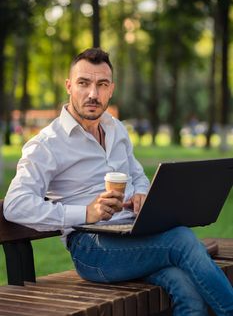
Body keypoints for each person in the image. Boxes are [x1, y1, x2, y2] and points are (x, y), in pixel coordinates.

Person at [4, 48, 233, 316]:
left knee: (186, 289)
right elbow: (15, 205)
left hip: (133, 235)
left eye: (101, 85)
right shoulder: (47, 144)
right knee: (181, 239)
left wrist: (141, 196)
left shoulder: (116, 129)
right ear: (68, 86)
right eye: (83, 83)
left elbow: (137, 177)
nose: (93, 93)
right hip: (91, 249)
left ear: (111, 89)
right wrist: (86, 212)